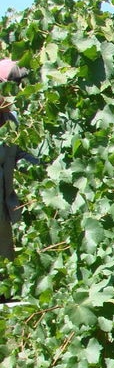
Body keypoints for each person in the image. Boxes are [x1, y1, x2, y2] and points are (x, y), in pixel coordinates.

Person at [1, 96, 38, 264]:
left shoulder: (11, 121)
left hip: (3, 209)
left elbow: (19, 153)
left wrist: (38, 167)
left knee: (5, 261)